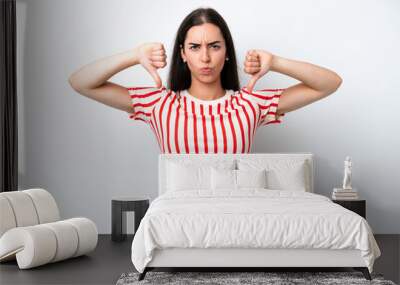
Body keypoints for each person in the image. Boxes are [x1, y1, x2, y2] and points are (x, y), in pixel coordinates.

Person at [68, 7, 342, 154]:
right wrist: (133, 55)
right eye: (195, 47)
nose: (206, 58)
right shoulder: (159, 102)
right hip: (176, 223)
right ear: (183, 54)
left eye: (214, 46)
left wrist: (277, 62)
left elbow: (329, 83)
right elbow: (81, 82)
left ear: (226, 53)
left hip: (236, 221)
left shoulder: (250, 103)